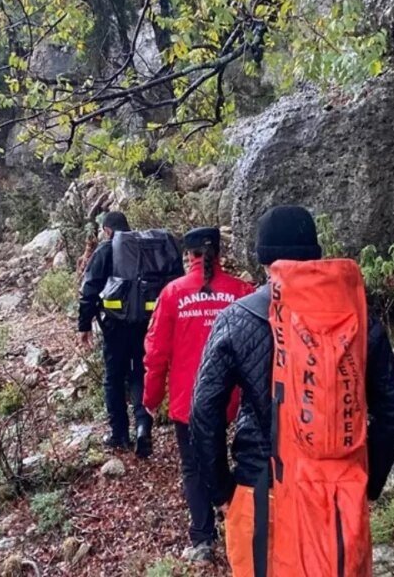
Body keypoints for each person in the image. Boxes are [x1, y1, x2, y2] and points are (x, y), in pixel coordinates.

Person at [190, 206, 394, 576]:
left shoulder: (236, 319)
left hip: (261, 491)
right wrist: (368, 485)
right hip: (337, 495)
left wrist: (221, 490)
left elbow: (204, 411)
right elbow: (391, 410)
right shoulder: (358, 317)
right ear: (316, 255)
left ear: (262, 258)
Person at [142, 227, 254, 564]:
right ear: (219, 253)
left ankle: (203, 539)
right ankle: (235, 520)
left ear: (188, 255)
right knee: (230, 458)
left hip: (187, 400)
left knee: (193, 467)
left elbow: (156, 353)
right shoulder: (241, 291)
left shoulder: (172, 293)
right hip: (232, 399)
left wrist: (150, 400)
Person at [78, 211, 152, 451]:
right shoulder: (144, 247)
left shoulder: (105, 250)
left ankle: (119, 434)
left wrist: (84, 325)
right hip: (144, 323)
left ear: (107, 230)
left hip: (114, 326)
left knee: (114, 378)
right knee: (140, 373)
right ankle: (143, 427)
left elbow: (90, 289)